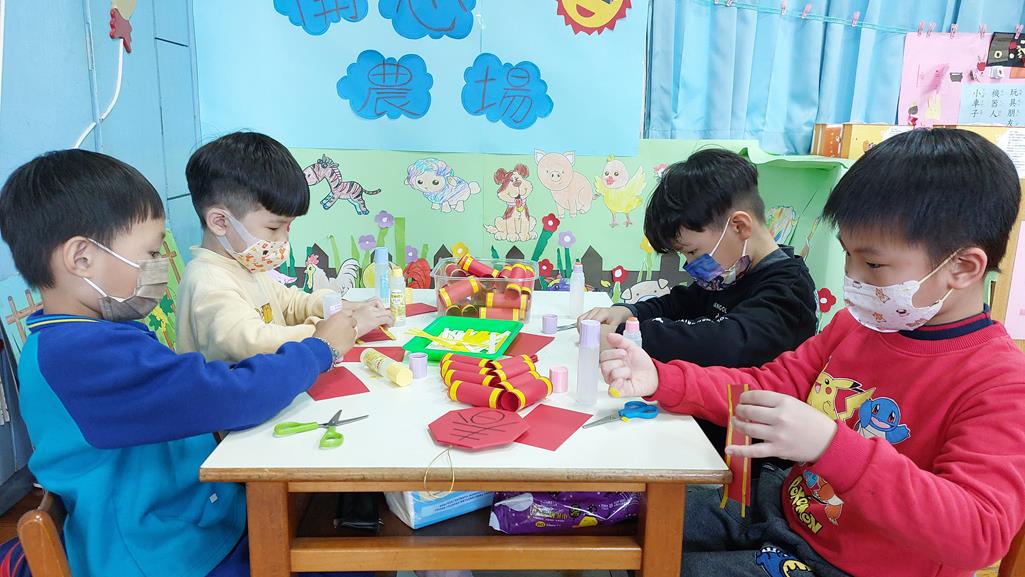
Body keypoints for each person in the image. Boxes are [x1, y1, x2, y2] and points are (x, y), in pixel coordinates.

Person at [600, 129, 1025, 576]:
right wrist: (660, 378)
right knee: (630, 519)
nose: (852, 278)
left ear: (963, 267)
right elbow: (767, 385)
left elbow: (979, 531)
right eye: (847, 256)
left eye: (873, 264)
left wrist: (831, 446)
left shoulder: (1001, 382)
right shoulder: (854, 327)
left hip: (854, 566)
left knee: (656, 562)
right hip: (782, 509)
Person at [0, 149, 361, 577]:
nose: (159, 266)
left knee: (341, 514)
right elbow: (229, 395)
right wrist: (320, 349)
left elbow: (198, 387)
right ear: (82, 259)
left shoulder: (88, 337)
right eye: (150, 253)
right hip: (163, 554)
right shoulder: (80, 357)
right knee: (348, 550)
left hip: (190, 517)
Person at [580, 148, 817, 480]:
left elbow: (725, 344)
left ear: (739, 226)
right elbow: (681, 302)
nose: (690, 264)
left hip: (744, 465)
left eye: (692, 251)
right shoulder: (733, 273)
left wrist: (628, 339)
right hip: (698, 430)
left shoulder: (788, 292)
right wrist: (628, 312)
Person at [176, 131, 392, 362]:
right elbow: (253, 343)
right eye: (273, 228)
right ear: (221, 222)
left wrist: (341, 308)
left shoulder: (243, 264)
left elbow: (289, 303)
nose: (283, 239)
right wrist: (331, 331)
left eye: (288, 227)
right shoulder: (208, 281)